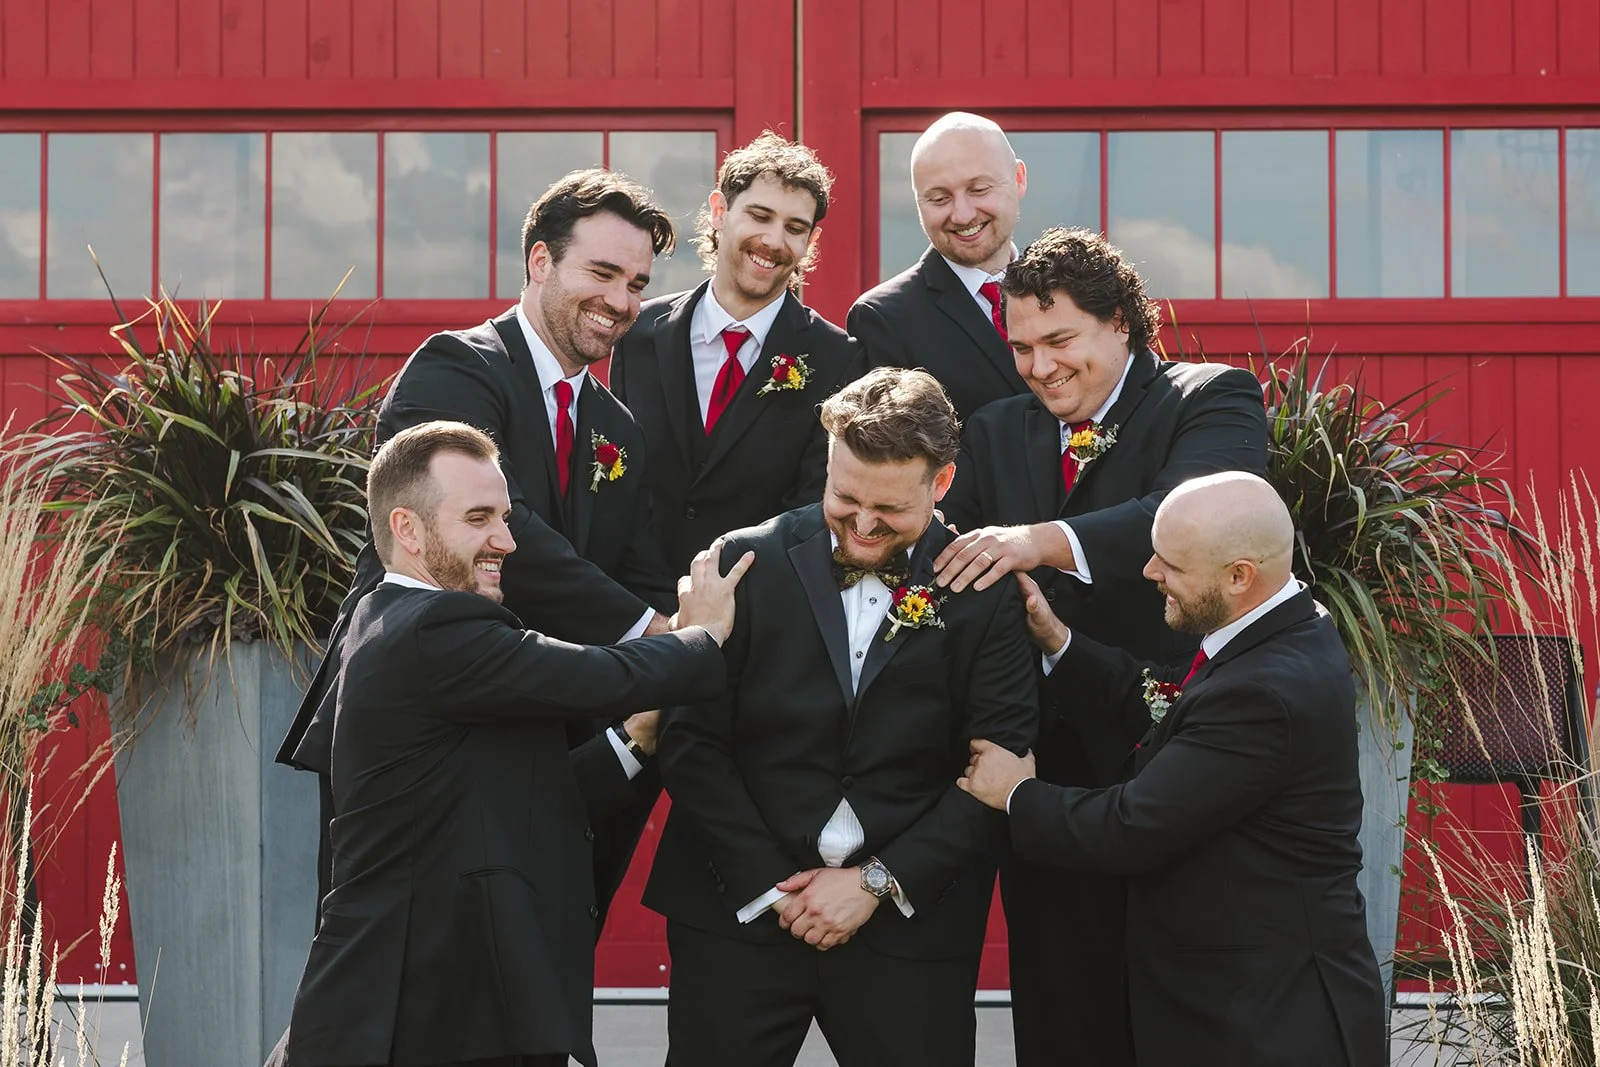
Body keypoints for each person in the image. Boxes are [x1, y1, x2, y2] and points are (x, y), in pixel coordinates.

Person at [278, 169, 682, 931]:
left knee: (538, 977)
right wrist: (654, 639)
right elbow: (508, 531)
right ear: (540, 262)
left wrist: (674, 627)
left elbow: (639, 564)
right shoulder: (456, 367)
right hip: (429, 717)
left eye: (636, 283)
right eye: (601, 273)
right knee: (406, 964)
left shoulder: (618, 429)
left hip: (558, 737)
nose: (622, 301)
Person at [276, 420, 752, 1067]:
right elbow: (600, 673)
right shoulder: (436, 626)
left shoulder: (384, 619)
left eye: (505, 516)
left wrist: (636, 739)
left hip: (444, 1009)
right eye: (479, 518)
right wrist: (704, 633)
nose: (505, 540)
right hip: (412, 1015)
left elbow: (509, 803)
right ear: (407, 529)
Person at [935, 226, 1269, 1067]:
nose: (1040, 366)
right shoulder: (996, 427)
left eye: (1059, 340)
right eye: (1021, 347)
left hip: (1176, 758)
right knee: (1061, 1014)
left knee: (1181, 1014)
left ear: (1122, 322)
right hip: (1041, 779)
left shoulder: (1211, 397)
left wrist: (1034, 540)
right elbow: (939, 554)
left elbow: (1194, 508)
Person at [643, 368, 1038, 1067]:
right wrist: (777, 888)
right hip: (737, 913)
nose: (861, 525)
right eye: (844, 497)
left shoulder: (983, 590)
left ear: (940, 484)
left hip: (909, 929)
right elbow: (691, 739)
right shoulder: (743, 562)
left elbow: (998, 763)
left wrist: (874, 883)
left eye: (888, 509)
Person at [959, 472, 1386, 1067]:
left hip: (1265, 1019)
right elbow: (1176, 707)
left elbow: (1130, 828)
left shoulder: (1265, 692)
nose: (1149, 572)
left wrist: (1016, 792)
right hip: (1247, 998)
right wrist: (1060, 641)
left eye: (1172, 564)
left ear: (1239, 576)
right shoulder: (1283, 624)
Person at [611, 131, 864, 575]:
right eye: (760, 216)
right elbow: (623, 479)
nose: (773, 239)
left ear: (811, 240)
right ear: (719, 211)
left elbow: (811, 506)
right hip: (639, 603)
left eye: (795, 228)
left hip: (762, 608)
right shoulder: (640, 333)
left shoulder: (837, 358)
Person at [848, 112, 1030, 423]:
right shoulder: (884, 319)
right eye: (939, 198)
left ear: (1019, 179)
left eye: (978, 190)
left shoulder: (1068, 287)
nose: (961, 214)